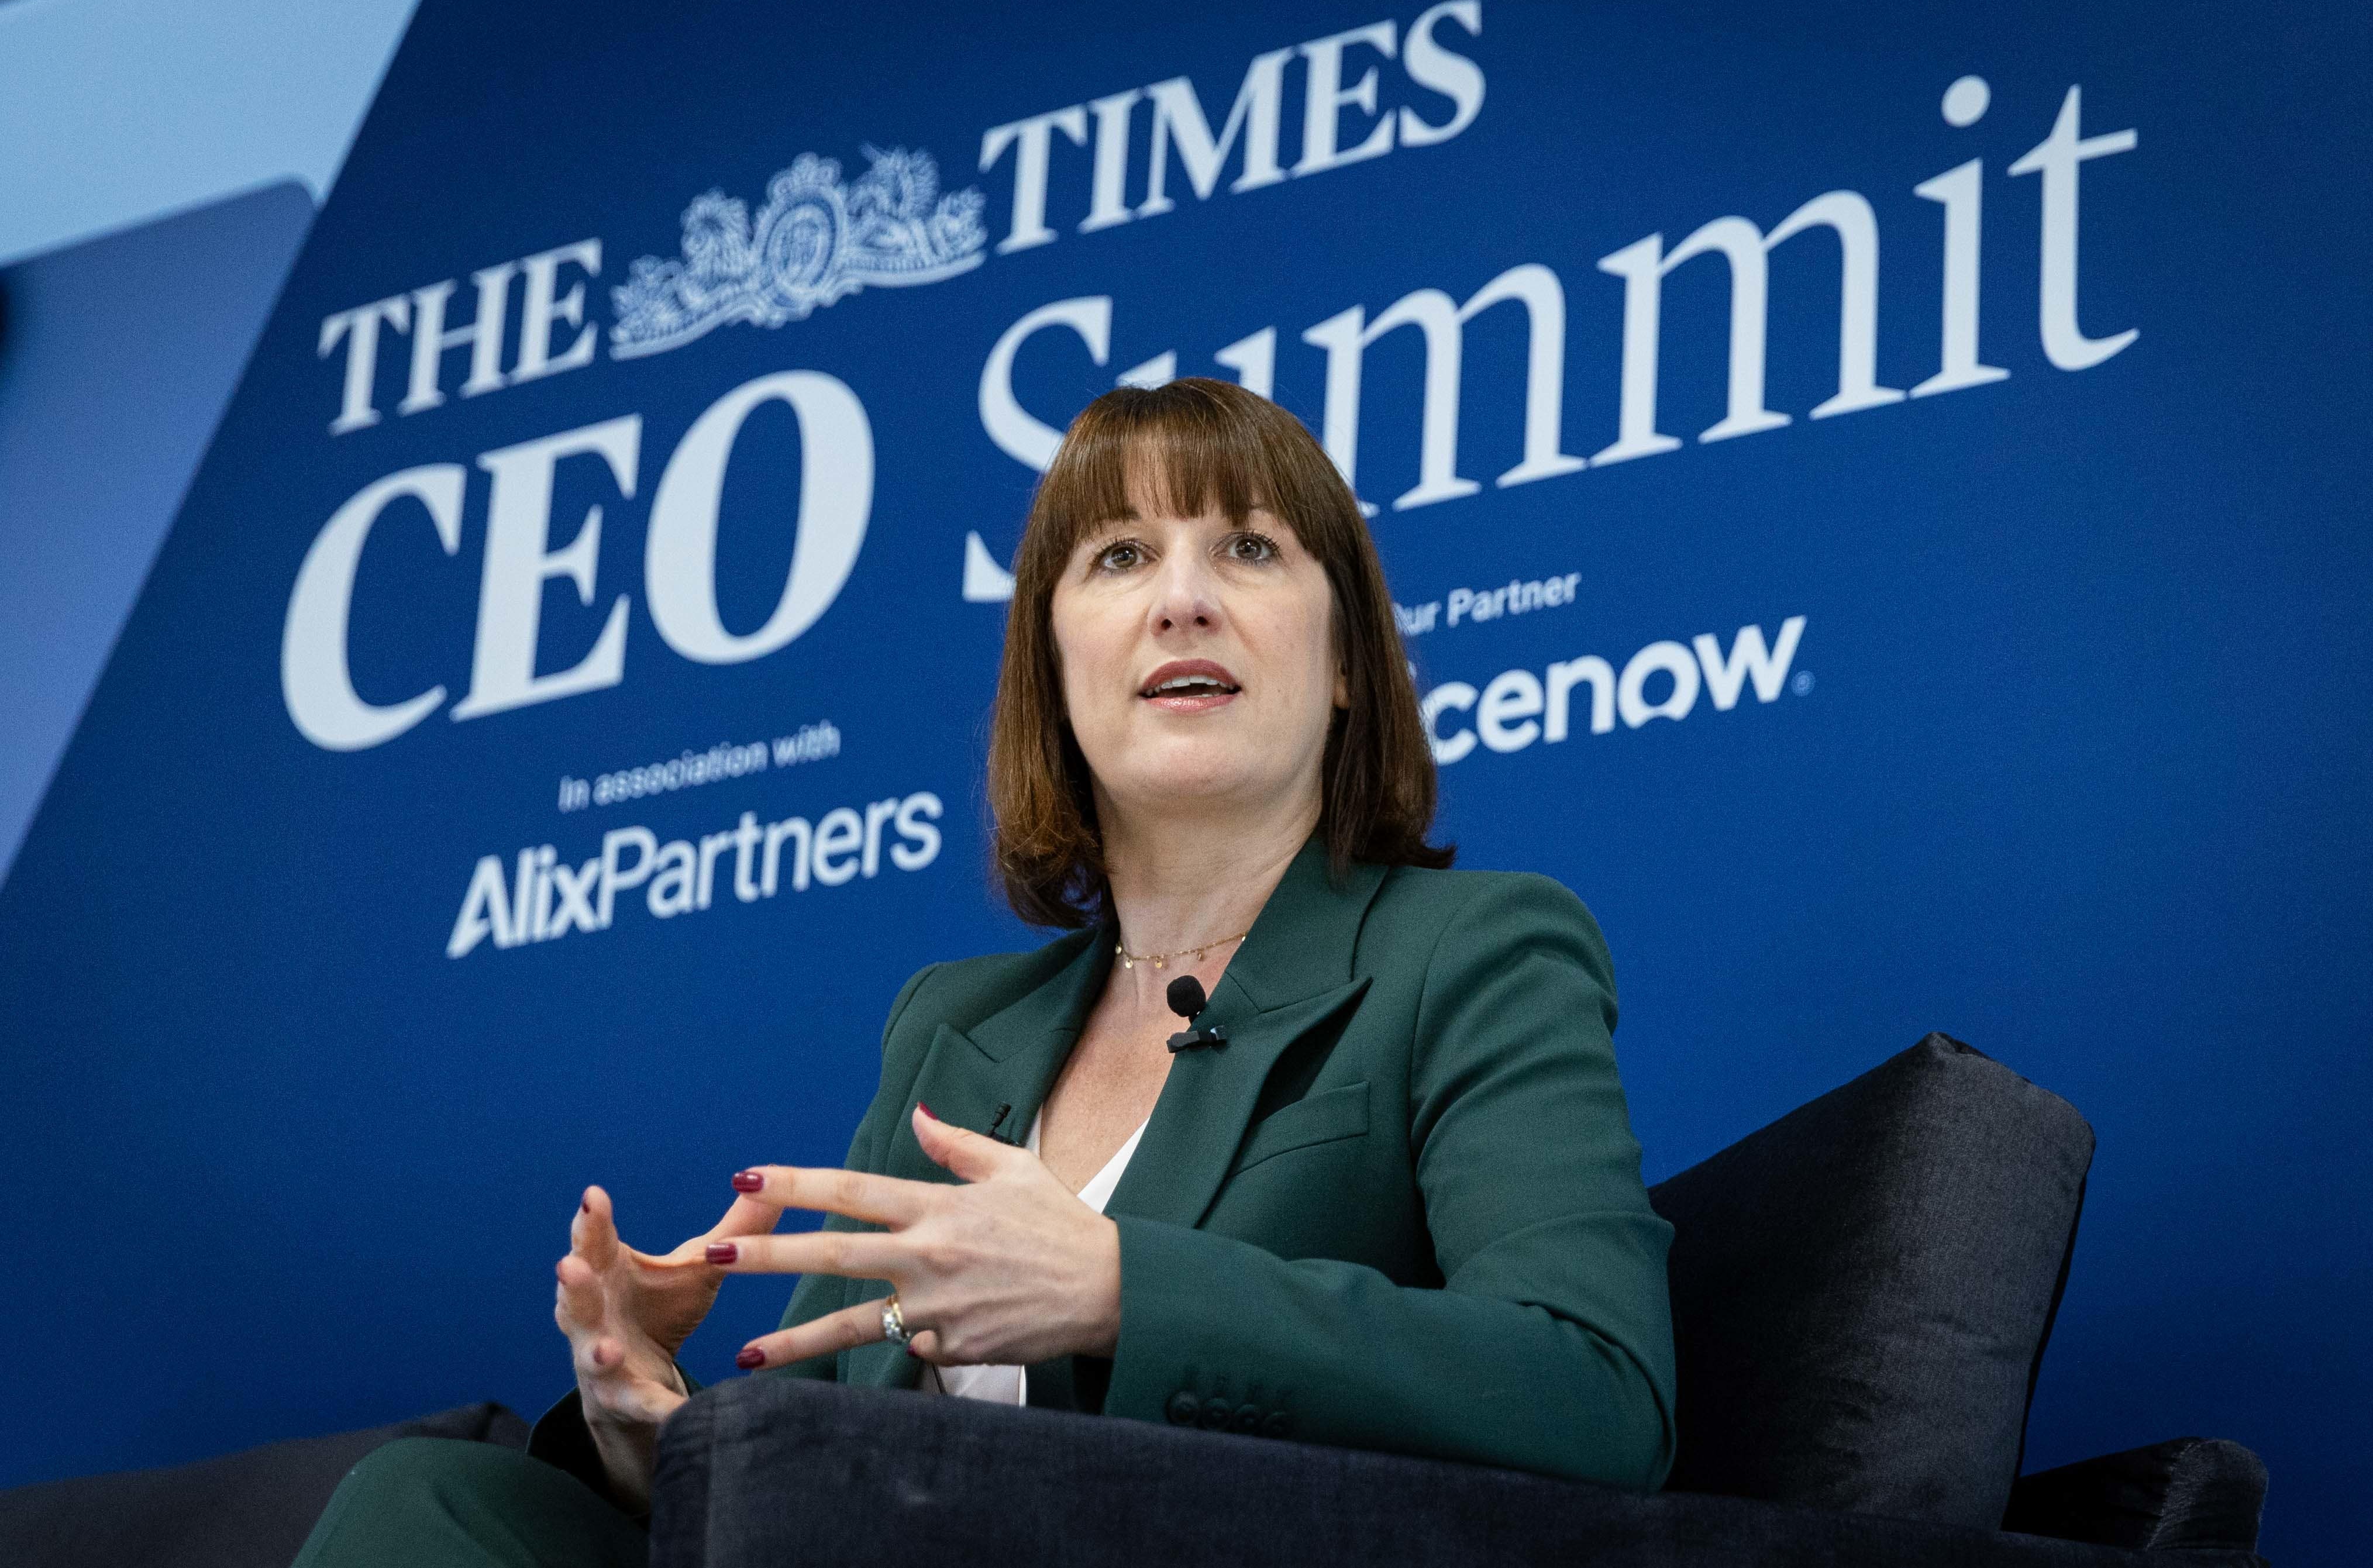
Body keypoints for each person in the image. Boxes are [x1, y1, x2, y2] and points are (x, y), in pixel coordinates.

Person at [293, 377, 1676, 1567]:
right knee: (439, 1501)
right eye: (1120, 558)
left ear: (1342, 667)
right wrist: (653, 1423)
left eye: (1249, 549)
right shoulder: (956, 1028)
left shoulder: (1473, 950)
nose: (1183, 599)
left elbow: (1596, 1396)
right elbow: (813, 1475)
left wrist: (1126, 1286)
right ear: (1055, 668)